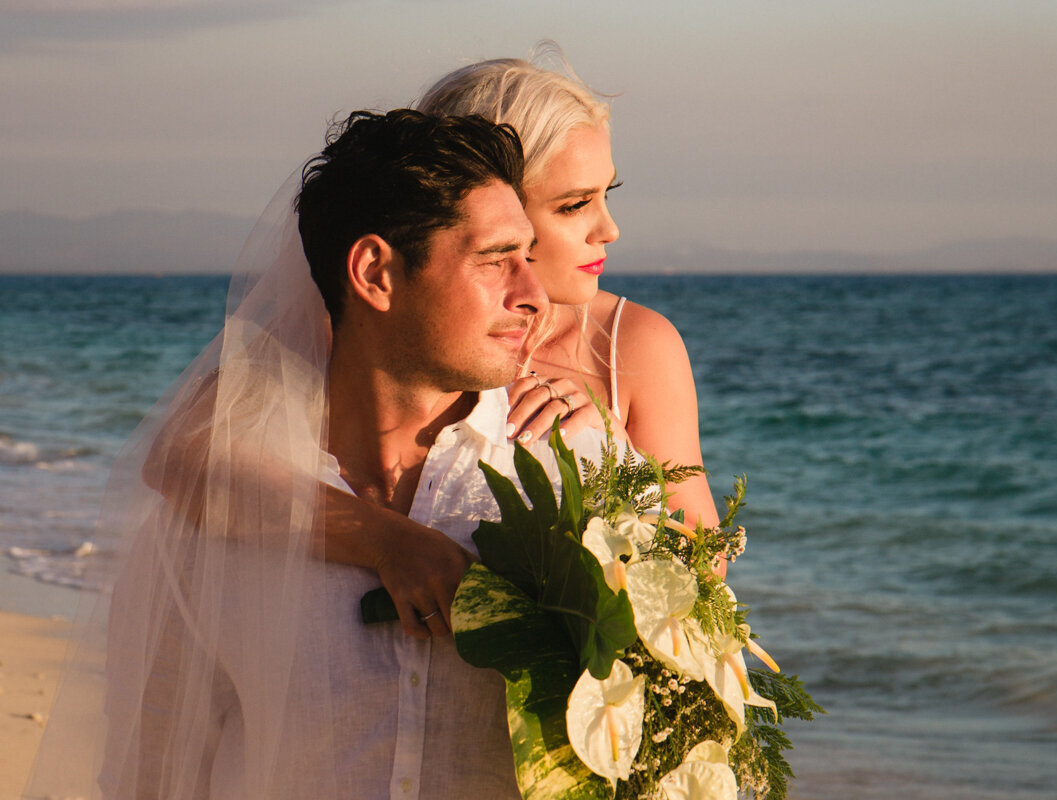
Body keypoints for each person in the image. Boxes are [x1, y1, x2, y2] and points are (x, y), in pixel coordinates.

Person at [27, 109, 592, 799]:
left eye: (530, 256)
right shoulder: (208, 517)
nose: (534, 294)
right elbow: (153, 767)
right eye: (495, 259)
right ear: (376, 272)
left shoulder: (580, 478)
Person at [316, 49, 724, 635]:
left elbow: (704, 567)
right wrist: (386, 542)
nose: (609, 229)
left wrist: (611, 450)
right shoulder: (364, 332)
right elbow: (193, 465)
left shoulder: (630, 345)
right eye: (574, 204)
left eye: (608, 194)